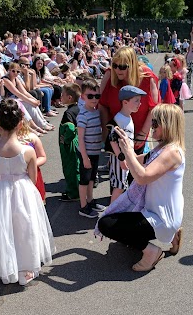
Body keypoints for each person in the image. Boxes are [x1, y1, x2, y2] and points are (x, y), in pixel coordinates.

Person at [97, 103, 185, 272]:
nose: (152, 127)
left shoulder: (172, 152)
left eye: (155, 123)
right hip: (160, 211)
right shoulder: (162, 148)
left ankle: (152, 252)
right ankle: (172, 236)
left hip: (161, 217)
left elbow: (142, 177)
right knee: (118, 223)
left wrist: (128, 152)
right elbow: (134, 162)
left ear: (166, 125)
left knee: (106, 224)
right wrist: (121, 145)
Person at [0, 98, 55, 286]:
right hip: (23, 191)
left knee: (3, 228)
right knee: (24, 228)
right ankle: (26, 268)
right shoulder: (28, 151)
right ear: (20, 123)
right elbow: (32, 177)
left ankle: (7, 266)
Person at [99, 47, 159, 155]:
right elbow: (102, 105)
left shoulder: (147, 78)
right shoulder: (110, 75)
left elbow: (154, 109)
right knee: (118, 169)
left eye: (122, 67)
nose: (117, 70)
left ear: (132, 65)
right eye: (115, 65)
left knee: (136, 168)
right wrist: (105, 132)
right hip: (116, 136)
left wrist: (143, 133)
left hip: (138, 135)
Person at [107, 85, 146, 203]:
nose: (139, 104)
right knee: (119, 185)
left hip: (125, 157)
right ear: (125, 102)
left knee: (122, 184)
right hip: (120, 158)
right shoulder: (119, 119)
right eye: (136, 101)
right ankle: (110, 212)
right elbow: (112, 139)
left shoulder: (127, 117)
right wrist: (121, 158)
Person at [77, 80, 104, 218]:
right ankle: (83, 206)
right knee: (84, 180)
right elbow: (80, 138)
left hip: (95, 151)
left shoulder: (96, 112)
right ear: (82, 97)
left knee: (92, 178)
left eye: (97, 96)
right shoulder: (83, 115)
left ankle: (90, 200)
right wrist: (84, 157)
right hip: (86, 152)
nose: (94, 99)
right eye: (90, 96)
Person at [59, 83, 81, 201]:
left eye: (62, 95)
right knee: (77, 166)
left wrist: (66, 140)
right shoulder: (78, 109)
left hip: (70, 144)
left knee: (70, 168)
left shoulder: (68, 113)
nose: (60, 97)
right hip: (78, 141)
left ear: (69, 98)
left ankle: (73, 193)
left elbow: (71, 128)